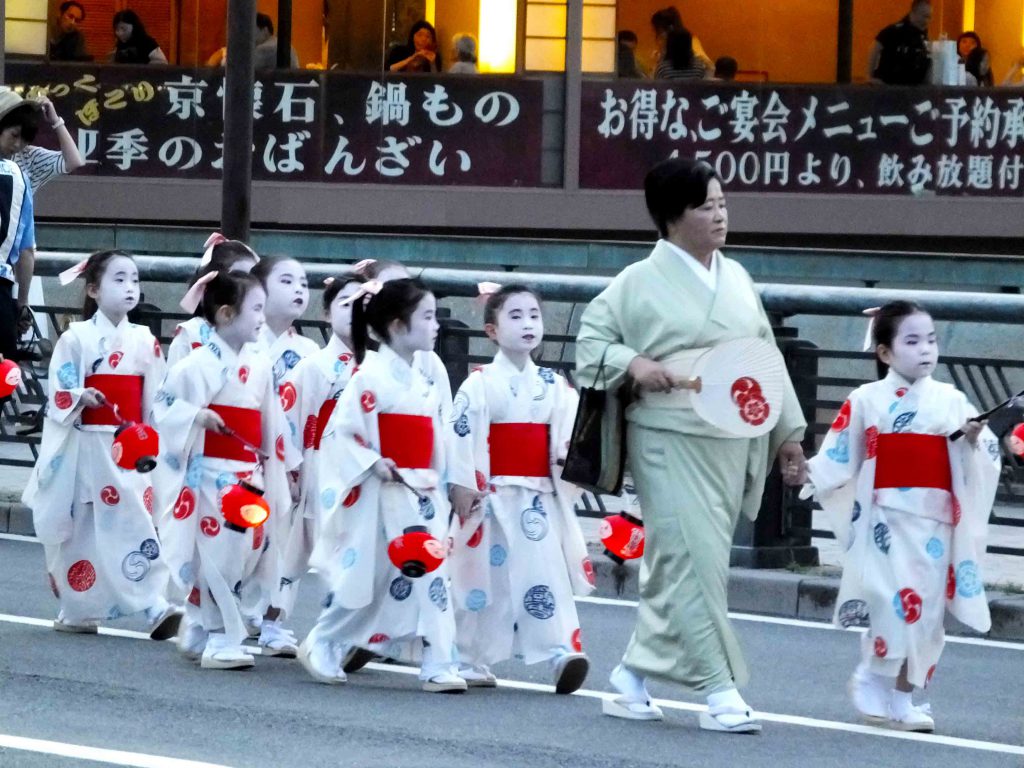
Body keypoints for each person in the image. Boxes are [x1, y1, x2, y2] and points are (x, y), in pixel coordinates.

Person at [575, 158, 807, 731]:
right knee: (695, 560)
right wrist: (636, 362)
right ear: (674, 217)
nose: (721, 215)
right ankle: (718, 689)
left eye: (723, 203)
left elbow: (766, 357)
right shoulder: (636, 282)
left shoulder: (737, 278)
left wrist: (788, 434)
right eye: (707, 206)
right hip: (667, 435)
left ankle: (630, 677)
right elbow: (591, 342)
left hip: (729, 436)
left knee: (681, 561)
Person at [803, 301, 1000, 733]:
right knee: (891, 605)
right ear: (885, 353)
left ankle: (903, 696)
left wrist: (972, 439)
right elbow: (840, 453)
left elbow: (983, 458)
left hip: (935, 522)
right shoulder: (866, 400)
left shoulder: (951, 400)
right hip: (884, 520)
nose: (925, 349)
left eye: (931, 339)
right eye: (911, 341)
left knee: (927, 617)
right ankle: (875, 675)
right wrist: (809, 473)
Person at [300, 278, 465, 693]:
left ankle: (438, 660)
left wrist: (446, 481)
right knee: (368, 576)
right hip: (381, 489)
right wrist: (374, 461)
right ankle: (323, 638)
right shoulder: (368, 377)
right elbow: (342, 433)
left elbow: (436, 437)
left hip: (420, 490)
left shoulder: (421, 377)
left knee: (432, 574)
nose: (436, 325)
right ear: (396, 326)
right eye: (427, 317)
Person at [21, 250, 181, 640]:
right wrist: (80, 395)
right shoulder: (76, 338)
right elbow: (60, 391)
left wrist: (150, 441)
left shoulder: (143, 339)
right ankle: (78, 608)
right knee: (82, 531)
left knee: (134, 521)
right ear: (93, 289)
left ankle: (153, 604)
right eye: (119, 280)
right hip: (87, 445)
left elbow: (156, 397)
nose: (130, 288)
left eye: (135, 280)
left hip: (127, 446)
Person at [447, 283, 594, 694]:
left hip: (537, 496)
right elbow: (460, 436)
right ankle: (467, 655)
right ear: (491, 331)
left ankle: (561, 651)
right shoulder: (478, 384)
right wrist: (462, 485)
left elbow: (570, 437)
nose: (528, 323)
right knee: (482, 576)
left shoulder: (554, 386)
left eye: (534, 315)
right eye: (515, 316)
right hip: (490, 493)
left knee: (544, 575)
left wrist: (568, 459)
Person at [154, 271, 298, 669]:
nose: (261, 317)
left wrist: (286, 467)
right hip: (209, 474)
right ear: (225, 313)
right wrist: (197, 415)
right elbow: (162, 408)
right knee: (221, 553)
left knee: (252, 551)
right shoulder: (195, 365)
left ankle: (200, 623)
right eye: (255, 309)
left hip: (248, 470)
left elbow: (273, 421)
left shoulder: (260, 364)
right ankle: (221, 637)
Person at [276, 274, 364, 624]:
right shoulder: (314, 366)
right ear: (326, 314)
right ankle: (273, 620)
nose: (356, 312)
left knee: (354, 549)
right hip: (321, 465)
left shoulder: (380, 365)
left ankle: (351, 626)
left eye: (364, 305)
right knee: (296, 549)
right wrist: (291, 471)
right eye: (345, 304)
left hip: (364, 467)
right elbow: (291, 421)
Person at [244, 255, 317, 654]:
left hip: (293, 461)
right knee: (241, 540)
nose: (298, 290)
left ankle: (272, 619)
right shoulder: (239, 344)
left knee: (286, 542)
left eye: (303, 283)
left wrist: (302, 460)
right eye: (286, 281)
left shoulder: (309, 350)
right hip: (244, 456)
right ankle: (225, 612)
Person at [166, 235, 259, 367]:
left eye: (253, 280)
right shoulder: (190, 334)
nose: (249, 287)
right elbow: (174, 384)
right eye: (240, 278)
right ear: (212, 282)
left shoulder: (257, 332)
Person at [0, 92, 39, 364]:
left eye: (24, 139)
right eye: (14, 135)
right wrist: (21, 304)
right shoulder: (19, 179)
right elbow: (26, 250)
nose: (18, 145)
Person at [8, 93, 86, 194]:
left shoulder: (30, 158)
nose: (18, 143)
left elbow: (73, 161)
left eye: (26, 136)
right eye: (14, 134)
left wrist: (56, 121)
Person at [868, 0, 931, 85]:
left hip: (911, 88)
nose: (926, 21)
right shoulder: (894, 31)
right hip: (889, 86)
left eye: (929, 17)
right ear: (913, 13)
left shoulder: (923, 37)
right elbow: (874, 49)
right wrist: (870, 77)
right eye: (924, 16)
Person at [650, 7, 712, 75]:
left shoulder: (691, 43)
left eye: (659, 31)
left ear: (669, 29)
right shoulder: (663, 49)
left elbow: (707, 66)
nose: (658, 36)